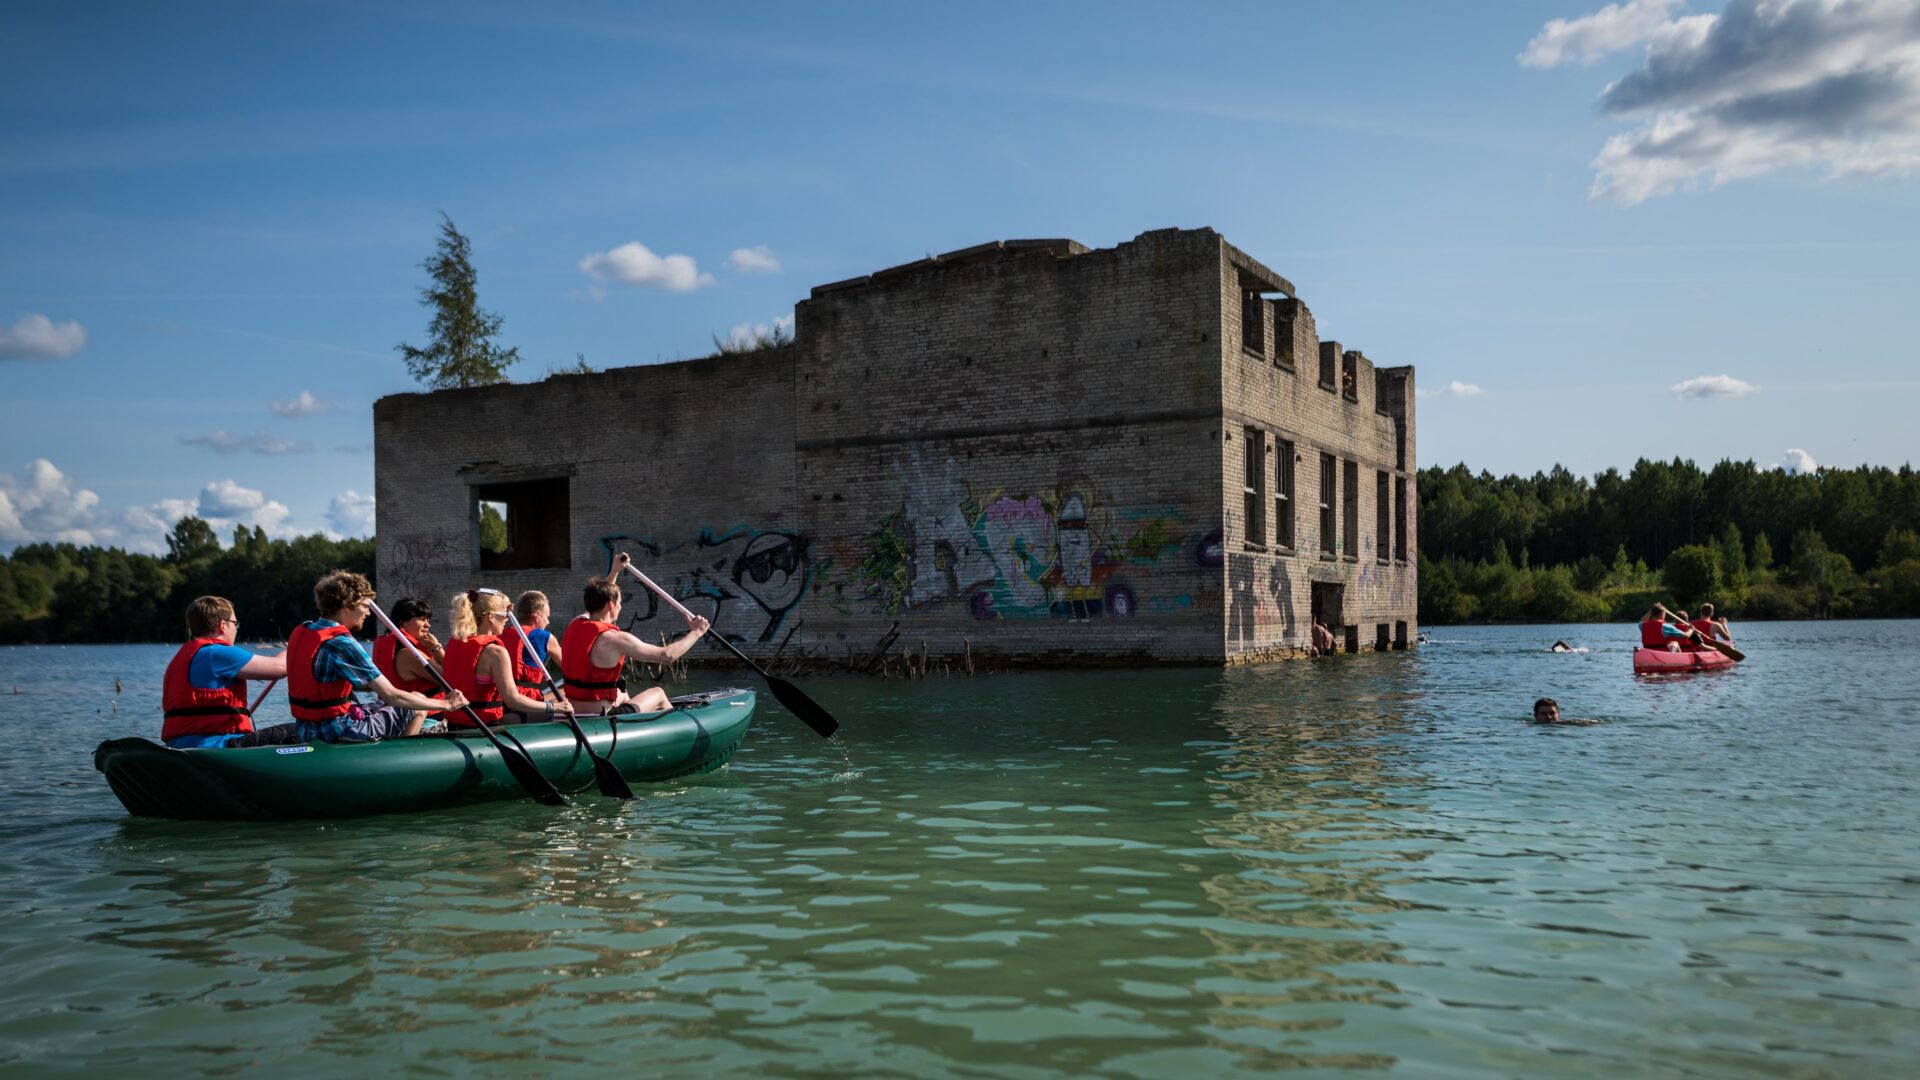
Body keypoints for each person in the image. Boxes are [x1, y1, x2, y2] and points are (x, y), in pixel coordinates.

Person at [286, 570, 466, 743]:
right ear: (347, 605)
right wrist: (446, 705)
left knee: (416, 695)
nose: (368, 613)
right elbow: (391, 695)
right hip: (338, 730)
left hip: (306, 728)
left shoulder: (304, 629)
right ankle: (402, 759)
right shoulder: (342, 643)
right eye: (365, 606)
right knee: (418, 705)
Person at [560, 553, 711, 715]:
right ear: (611, 605)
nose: (621, 607)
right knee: (658, 693)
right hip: (600, 717)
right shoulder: (616, 639)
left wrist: (615, 571)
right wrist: (697, 632)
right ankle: (678, 731)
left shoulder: (575, 624)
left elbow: (601, 598)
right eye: (620, 603)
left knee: (623, 693)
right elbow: (667, 656)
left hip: (573, 711)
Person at [160, 596, 297, 748]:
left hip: (180, 744)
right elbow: (280, 667)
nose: (236, 628)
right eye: (235, 623)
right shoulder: (217, 653)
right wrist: (296, 642)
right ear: (223, 625)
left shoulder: (183, 655)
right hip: (216, 744)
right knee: (301, 730)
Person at [440, 589, 572, 728]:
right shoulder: (495, 652)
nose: (507, 619)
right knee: (545, 713)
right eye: (504, 615)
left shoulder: (454, 643)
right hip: (485, 725)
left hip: (455, 723)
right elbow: (512, 699)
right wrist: (554, 707)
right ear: (491, 617)